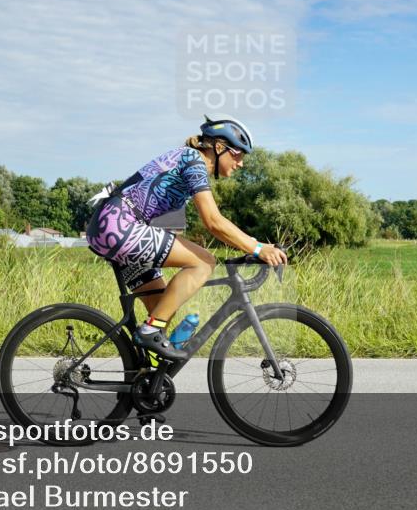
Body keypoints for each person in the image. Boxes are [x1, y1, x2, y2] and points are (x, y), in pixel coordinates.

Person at [85, 115, 288, 361]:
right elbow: (213, 221)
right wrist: (257, 248)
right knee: (203, 262)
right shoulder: (193, 160)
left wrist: (251, 244)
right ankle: (150, 332)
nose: (241, 163)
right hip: (119, 226)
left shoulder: (186, 159)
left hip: (112, 226)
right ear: (220, 148)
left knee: (162, 311)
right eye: (238, 154)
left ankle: (145, 380)